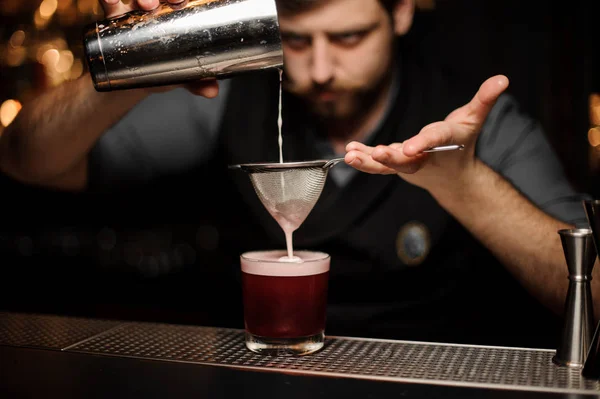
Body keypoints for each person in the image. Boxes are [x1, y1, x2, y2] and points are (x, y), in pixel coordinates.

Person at [0, 0, 591, 347]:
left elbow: (588, 298)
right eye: (296, 41)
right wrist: (140, 62)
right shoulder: (231, 99)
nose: (321, 69)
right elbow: (27, 160)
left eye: (350, 36)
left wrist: (466, 185)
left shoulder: (478, 117)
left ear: (403, 12)